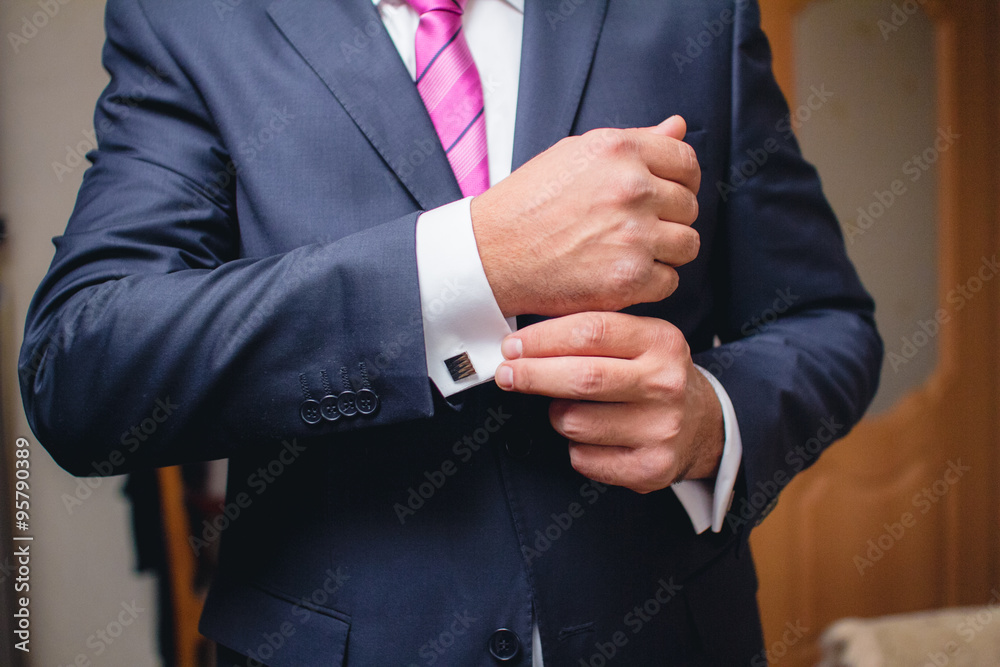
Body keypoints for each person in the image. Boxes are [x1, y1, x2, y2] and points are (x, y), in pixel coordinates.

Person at [19, 0, 883, 664]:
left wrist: (713, 419)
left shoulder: (695, 13)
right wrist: (475, 259)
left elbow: (828, 320)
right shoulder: (192, 21)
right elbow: (81, 366)